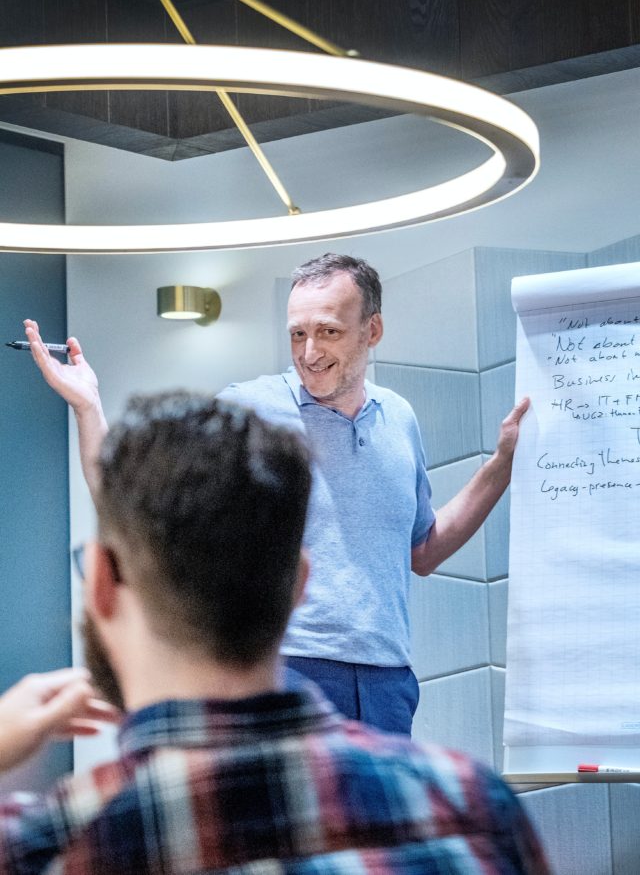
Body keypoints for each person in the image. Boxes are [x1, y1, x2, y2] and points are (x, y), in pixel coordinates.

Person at [0, 391, 549, 873]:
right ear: (299, 584)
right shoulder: (475, 812)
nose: (312, 347)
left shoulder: (43, 846)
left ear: (100, 581)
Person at [24, 253, 528, 736]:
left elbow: (423, 550)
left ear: (371, 330)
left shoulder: (399, 417)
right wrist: (89, 408)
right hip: (285, 666)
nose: (311, 353)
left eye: (328, 332)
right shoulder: (249, 411)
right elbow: (134, 505)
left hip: (386, 677)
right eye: (298, 335)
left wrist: (502, 464)